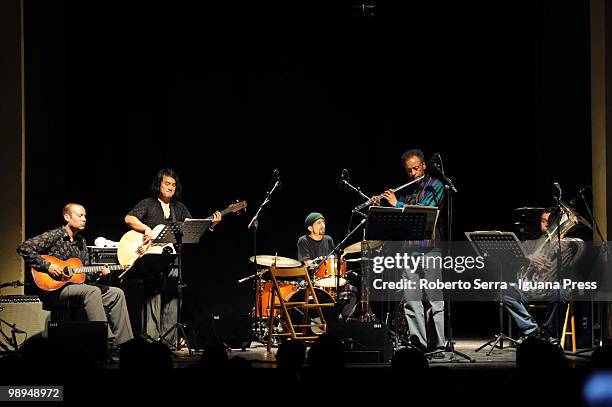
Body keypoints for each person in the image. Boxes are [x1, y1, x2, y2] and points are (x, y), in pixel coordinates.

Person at [124, 169, 222, 345]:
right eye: (167, 183)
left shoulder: (179, 207)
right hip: (153, 257)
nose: (171, 187)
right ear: (159, 185)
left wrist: (211, 225)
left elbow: (192, 229)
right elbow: (129, 218)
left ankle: (168, 342)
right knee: (154, 296)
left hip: (173, 257)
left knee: (173, 297)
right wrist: (146, 229)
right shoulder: (148, 203)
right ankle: (151, 341)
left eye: (173, 184)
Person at [17, 203, 133, 347]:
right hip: (55, 290)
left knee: (116, 293)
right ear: (67, 217)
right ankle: (103, 341)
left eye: (85, 216)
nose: (84, 219)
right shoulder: (54, 235)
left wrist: (99, 273)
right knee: (92, 291)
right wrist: (48, 266)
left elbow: (85, 276)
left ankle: (125, 344)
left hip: (78, 288)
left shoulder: (81, 241)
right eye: (80, 215)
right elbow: (24, 247)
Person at [372, 149, 445, 353]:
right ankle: (418, 345)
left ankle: (437, 345)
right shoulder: (407, 189)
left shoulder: (436, 186)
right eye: (409, 170)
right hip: (408, 250)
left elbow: (426, 210)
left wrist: (397, 203)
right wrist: (383, 203)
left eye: (416, 168)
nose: (413, 173)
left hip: (431, 248)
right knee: (412, 301)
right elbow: (398, 219)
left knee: (434, 299)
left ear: (423, 165)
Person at [504, 207, 585, 344]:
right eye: (543, 221)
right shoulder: (530, 244)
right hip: (530, 286)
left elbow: (580, 249)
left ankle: (549, 333)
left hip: (552, 285)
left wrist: (564, 244)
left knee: (560, 292)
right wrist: (528, 258)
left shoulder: (567, 243)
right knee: (504, 291)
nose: (546, 224)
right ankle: (532, 330)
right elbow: (514, 262)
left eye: (550, 221)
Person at [297, 212, 358, 319]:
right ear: (310, 228)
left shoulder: (328, 239)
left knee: (353, 291)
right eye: (318, 223)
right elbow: (307, 263)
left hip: (328, 279)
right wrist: (319, 263)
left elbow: (334, 260)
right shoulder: (303, 240)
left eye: (323, 222)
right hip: (309, 279)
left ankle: (342, 320)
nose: (323, 225)